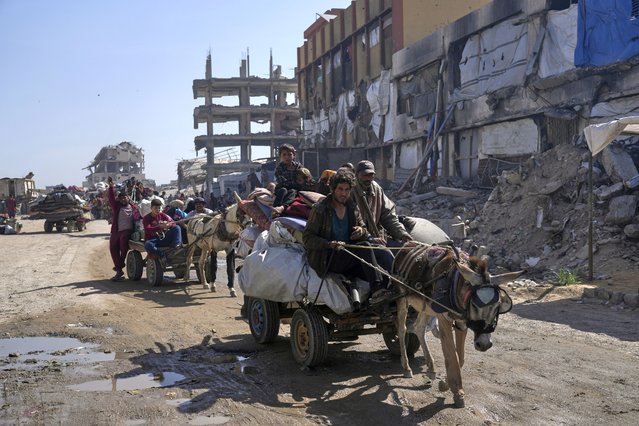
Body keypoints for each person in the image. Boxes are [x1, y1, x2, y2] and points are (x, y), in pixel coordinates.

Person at [303, 169, 392, 302]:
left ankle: (392, 289)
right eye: (340, 189)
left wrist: (361, 232)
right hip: (328, 258)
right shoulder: (321, 209)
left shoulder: (352, 208)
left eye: (347, 190)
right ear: (333, 189)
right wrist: (329, 244)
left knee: (383, 268)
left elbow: (363, 230)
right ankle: (377, 291)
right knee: (365, 247)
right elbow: (307, 238)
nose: (343, 193)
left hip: (350, 256)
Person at [352, 160, 412, 245]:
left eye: (371, 175)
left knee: (401, 248)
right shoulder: (350, 189)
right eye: (365, 175)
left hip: (376, 236)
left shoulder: (377, 189)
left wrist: (402, 234)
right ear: (357, 175)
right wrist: (369, 238)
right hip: (358, 238)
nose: (368, 179)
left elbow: (389, 216)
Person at [107, 177, 140, 281]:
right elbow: (111, 199)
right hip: (116, 231)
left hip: (127, 231)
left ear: (128, 198)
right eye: (120, 198)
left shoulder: (133, 207)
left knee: (123, 245)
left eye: (124, 197)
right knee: (113, 248)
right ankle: (119, 269)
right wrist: (111, 187)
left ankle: (119, 267)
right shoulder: (117, 207)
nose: (123, 199)